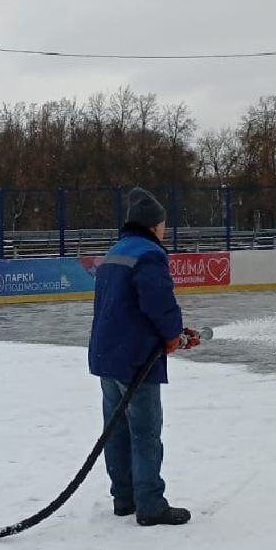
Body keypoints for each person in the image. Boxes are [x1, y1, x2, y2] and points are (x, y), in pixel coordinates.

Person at [87, 188, 200, 526]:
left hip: (108, 356)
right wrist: (170, 334)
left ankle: (124, 498)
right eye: (163, 224)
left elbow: (124, 306)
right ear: (153, 225)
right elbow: (158, 301)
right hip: (137, 360)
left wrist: (172, 333)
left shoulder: (115, 252)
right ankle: (150, 503)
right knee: (145, 431)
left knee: (117, 429)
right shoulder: (150, 254)